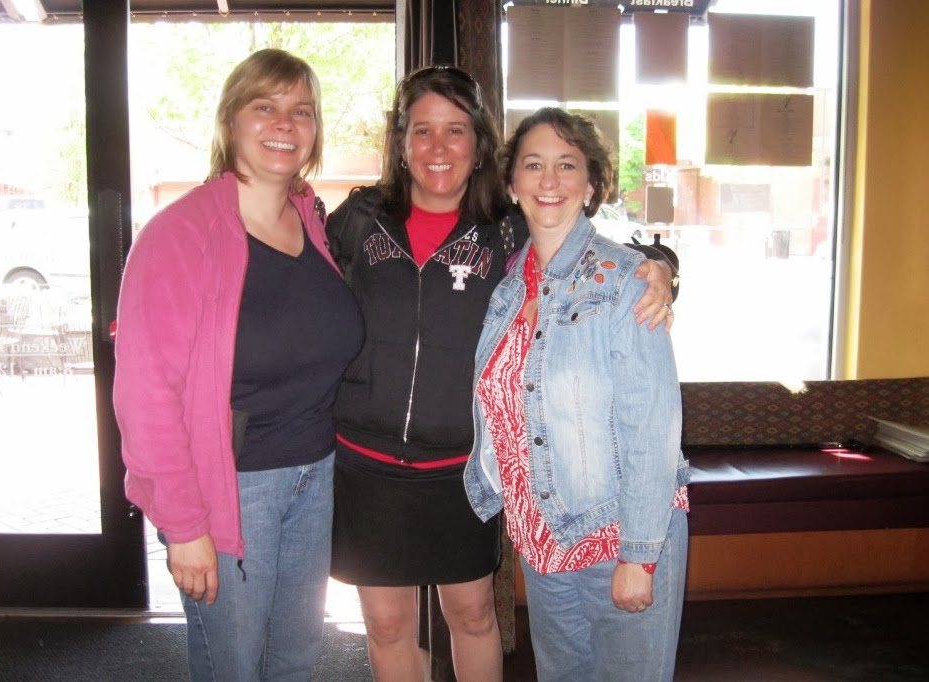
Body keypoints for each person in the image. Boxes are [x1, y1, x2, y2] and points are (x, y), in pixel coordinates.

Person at [325, 67, 677, 681]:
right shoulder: (359, 219)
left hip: (461, 472)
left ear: (479, 145)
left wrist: (661, 265)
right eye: (423, 130)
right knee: (386, 626)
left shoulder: (503, 226)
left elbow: (587, 249)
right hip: (368, 466)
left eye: (455, 130)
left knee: (472, 616)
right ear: (401, 143)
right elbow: (303, 284)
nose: (438, 147)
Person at [113, 49, 364, 681]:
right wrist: (183, 526)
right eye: (264, 106)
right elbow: (145, 396)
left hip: (313, 476)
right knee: (234, 668)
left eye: (301, 110)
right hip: (232, 487)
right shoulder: (180, 234)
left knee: (295, 661)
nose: (285, 123)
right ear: (230, 121)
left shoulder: (309, 219)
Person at [464, 107, 689, 682]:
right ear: (512, 183)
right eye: (533, 164)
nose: (549, 180)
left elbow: (653, 427)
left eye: (567, 165)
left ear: (591, 186)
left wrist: (640, 554)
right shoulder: (508, 286)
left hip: (617, 533)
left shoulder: (625, 280)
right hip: (543, 539)